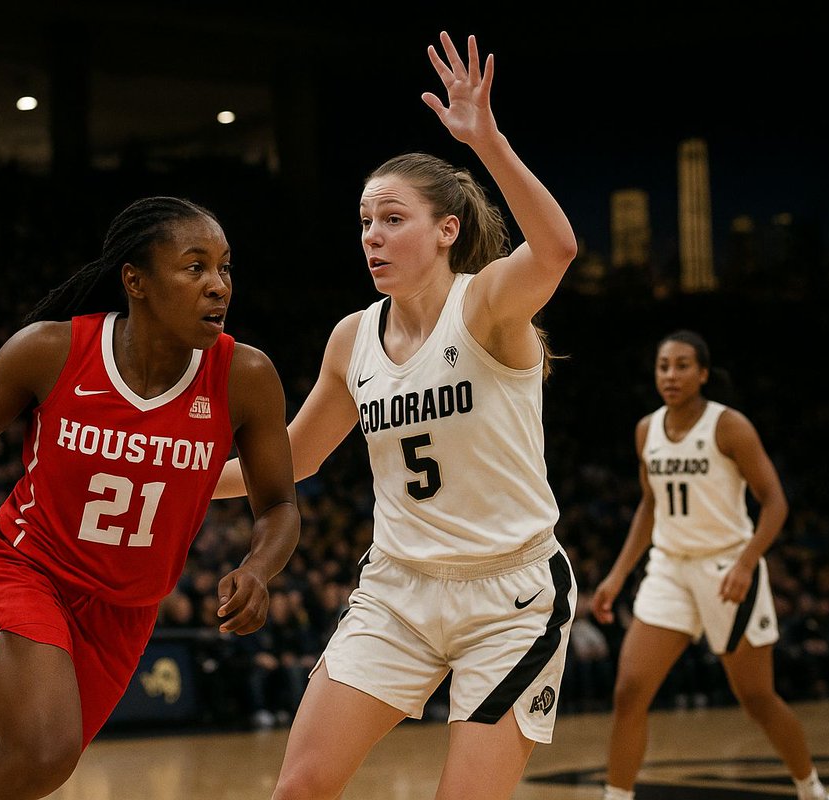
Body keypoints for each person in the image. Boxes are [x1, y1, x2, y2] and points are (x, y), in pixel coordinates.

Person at [0, 196, 300, 800]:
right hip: (23, 568)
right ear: (136, 281)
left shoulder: (246, 376)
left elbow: (278, 505)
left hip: (126, 609)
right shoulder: (50, 350)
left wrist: (259, 567)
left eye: (225, 268)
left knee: (4, 772)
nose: (218, 286)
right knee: (45, 754)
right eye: (194, 266)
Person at [214, 31, 578, 799]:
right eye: (364, 223)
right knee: (297, 790)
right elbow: (294, 460)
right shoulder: (353, 337)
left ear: (447, 230)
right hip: (398, 592)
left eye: (392, 220)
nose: (372, 237)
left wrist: (489, 141)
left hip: (509, 596)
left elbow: (556, 250)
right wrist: (170, 476)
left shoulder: (485, 306)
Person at [591, 330, 829, 800]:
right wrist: (619, 573)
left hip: (727, 568)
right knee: (629, 693)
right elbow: (649, 505)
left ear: (703, 373)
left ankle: (812, 789)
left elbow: (775, 502)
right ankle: (615, 797)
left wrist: (747, 563)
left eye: (683, 365)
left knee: (758, 700)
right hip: (669, 569)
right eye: (664, 365)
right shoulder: (647, 429)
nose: (671, 375)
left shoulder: (729, 426)